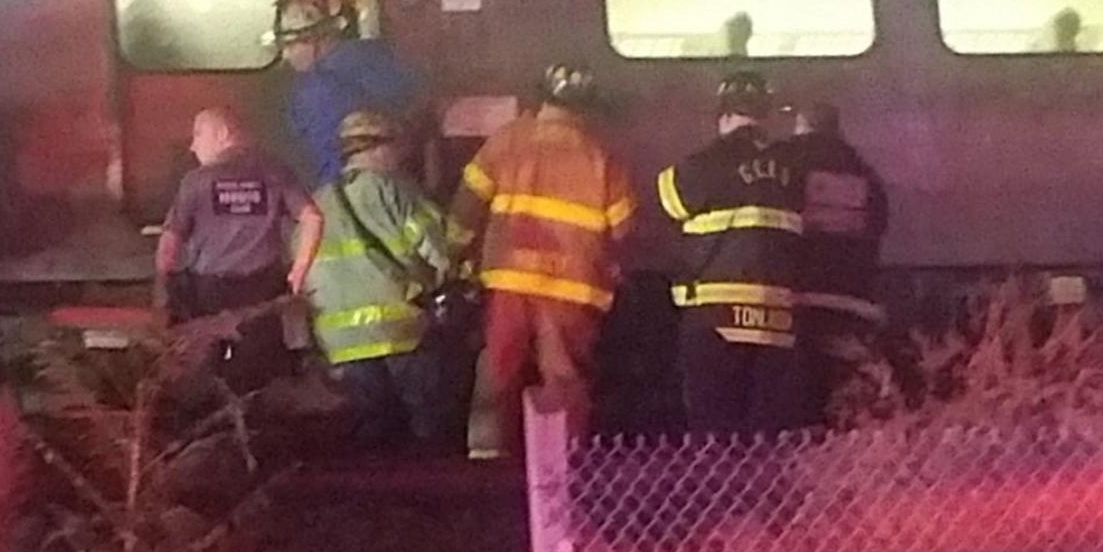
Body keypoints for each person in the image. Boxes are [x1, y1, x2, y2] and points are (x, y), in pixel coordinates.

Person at [446, 63, 633, 462]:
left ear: (541, 97)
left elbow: (466, 208)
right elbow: (623, 228)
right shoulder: (600, 155)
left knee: (498, 367)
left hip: (508, 281)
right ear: (588, 107)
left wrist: (455, 253)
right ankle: (562, 463)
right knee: (563, 376)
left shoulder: (505, 141)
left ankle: (485, 457)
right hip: (573, 287)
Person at [290, 109, 456, 452]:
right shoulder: (396, 189)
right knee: (428, 433)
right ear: (383, 147)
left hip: (341, 342)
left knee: (371, 439)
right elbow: (441, 251)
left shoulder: (317, 201)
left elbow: (299, 272)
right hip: (401, 332)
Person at [658, 72, 812, 436]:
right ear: (765, 117)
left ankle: (716, 490)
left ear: (723, 116)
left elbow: (671, 201)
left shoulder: (703, 163)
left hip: (715, 314)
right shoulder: (793, 170)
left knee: (714, 427)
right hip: (776, 319)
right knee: (766, 431)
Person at [157, 107, 309, 388]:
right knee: (260, 363)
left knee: (204, 359)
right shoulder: (275, 172)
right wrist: (299, 271)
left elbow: (170, 243)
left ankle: (212, 413)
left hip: (210, 290)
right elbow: (313, 218)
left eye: (198, 134)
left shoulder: (197, 181)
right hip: (263, 288)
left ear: (223, 134)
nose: (192, 146)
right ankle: (256, 417)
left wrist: (164, 290)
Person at [782, 98, 891, 416]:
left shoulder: (784, 162)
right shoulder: (864, 172)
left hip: (798, 296)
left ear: (802, 126)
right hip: (854, 299)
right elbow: (877, 226)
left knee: (796, 389)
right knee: (842, 388)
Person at [280, 1, 425, 188]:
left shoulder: (315, 90)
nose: (285, 55)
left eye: (291, 45)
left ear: (315, 39)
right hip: (408, 185)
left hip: (357, 194)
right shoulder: (381, 56)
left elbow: (329, 165)